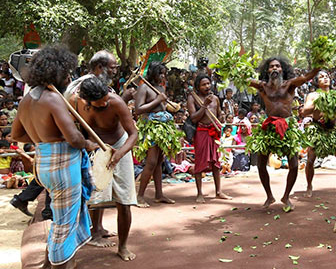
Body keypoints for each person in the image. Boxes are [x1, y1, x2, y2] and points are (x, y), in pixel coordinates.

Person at [11, 46, 98, 268]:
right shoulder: (53, 99)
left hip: (43, 164)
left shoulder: (27, 100)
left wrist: (45, 137)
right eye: (67, 73)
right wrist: (90, 144)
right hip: (62, 167)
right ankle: (61, 263)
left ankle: (50, 263)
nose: (69, 77)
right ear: (55, 73)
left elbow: (17, 134)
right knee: (65, 224)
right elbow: (75, 140)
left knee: (60, 219)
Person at [68, 75, 138, 260]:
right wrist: (91, 146)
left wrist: (119, 154)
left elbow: (133, 134)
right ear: (88, 101)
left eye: (106, 100)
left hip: (120, 146)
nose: (105, 103)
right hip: (95, 149)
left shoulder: (115, 102)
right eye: (100, 103)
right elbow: (76, 132)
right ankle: (82, 240)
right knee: (88, 197)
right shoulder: (75, 103)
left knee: (125, 199)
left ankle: (123, 246)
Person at [248, 57, 319, 210]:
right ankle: (269, 196)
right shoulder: (262, 87)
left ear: (283, 69)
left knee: (293, 165)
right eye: (271, 66)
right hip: (268, 127)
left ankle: (286, 196)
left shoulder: (290, 85)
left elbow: (306, 77)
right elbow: (243, 78)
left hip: (287, 126)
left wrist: (318, 66)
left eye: (278, 66)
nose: (274, 68)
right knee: (261, 164)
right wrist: (233, 68)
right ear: (267, 70)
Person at [135, 62, 179, 207]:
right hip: (151, 128)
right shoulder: (144, 87)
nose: (163, 76)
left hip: (163, 127)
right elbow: (139, 109)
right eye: (161, 73)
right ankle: (140, 196)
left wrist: (166, 104)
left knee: (159, 161)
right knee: (152, 162)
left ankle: (159, 194)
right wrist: (157, 100)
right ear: (153, 72)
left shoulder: (160, 88)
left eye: (164, 74)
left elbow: (161, 106)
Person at [301, 70, 336, 197]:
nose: (325, 78)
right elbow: (305, 111)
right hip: (318, 130)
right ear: (317, 82)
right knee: (311, 159)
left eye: (327, 76)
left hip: (333, 130)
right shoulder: (313, 95)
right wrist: (320, 103)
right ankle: (309, 186)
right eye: (321, 77)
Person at [187, 74, 231, 203]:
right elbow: (194, 118)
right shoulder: (193, 98)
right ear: (198, 87)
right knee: (200, 162)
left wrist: (222, 116)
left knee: (216, 162)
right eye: (203, 85)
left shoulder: (216, 99)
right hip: (201, 131)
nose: (207, 87)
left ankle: (218, 191)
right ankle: (199, 193)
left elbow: (218, 115)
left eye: (208, 84)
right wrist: (204, 106)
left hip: (214, 132)